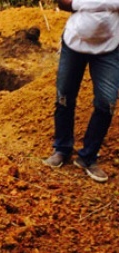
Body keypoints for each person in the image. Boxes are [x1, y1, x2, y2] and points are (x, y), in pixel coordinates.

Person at [42, 0, 119, 183]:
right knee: (64, 97)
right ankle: (62, 148)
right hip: (74, 42)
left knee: (105, 102)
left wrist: (87, 3)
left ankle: (88, 157)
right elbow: (62, 3)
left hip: (109, 46)